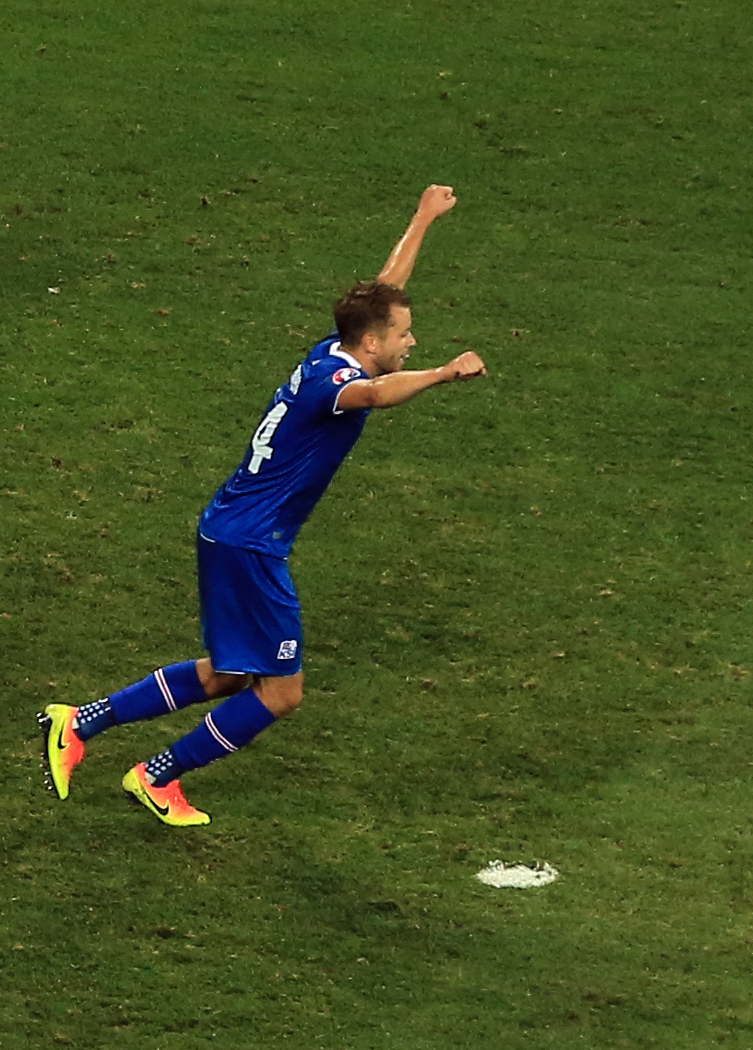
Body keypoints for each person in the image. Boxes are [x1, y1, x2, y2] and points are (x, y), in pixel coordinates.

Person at [41, 186, 488, 826]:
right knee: (280, 690)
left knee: (229, 674)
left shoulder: (332, 350)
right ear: (370, 342)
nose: (412, 341)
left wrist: (421, 219)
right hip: (251, 544)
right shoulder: (341, 383)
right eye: (406, 335)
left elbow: (384, 289)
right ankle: (155, 776)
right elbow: (379, 394)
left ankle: (81, 723)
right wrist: (445, 374)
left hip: (234, 529)